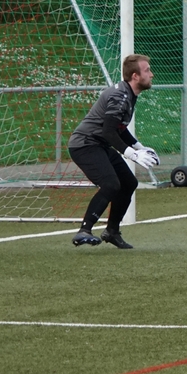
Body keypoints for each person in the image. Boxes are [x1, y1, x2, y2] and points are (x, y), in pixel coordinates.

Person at [68, 54, 159, 249]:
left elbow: (119, 128)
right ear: (135, 76)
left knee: (128, 183)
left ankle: (112, 231)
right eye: (147, 70)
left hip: (98, 144)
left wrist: (139, 147)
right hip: (85, 144)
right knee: (110, 184)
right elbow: (108, 131)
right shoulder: (120, 96)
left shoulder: (128, 93)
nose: (151, 74)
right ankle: (84, 230)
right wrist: (132, 154)